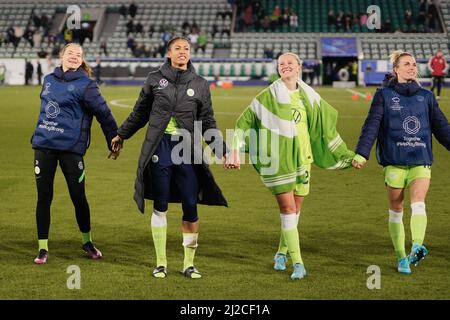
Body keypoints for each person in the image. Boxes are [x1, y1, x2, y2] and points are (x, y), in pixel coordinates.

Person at [227, 52, 355, 280]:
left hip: (304, 160)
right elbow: (243, 122)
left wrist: (348, 155)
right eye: (281, 64)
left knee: (294, 211)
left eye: (290, 63)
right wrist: (235, 150)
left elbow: (326, 127)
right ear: (278, 69)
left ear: (299, 67)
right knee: (287, 209)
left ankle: (281, 252)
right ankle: (298, 263)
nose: (285, 66)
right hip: (279, 161)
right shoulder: (267, 96)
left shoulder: (310, 96)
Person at [110, 36, 229, 279]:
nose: (182, 51)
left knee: (190, 205)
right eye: (178, 48)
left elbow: (208, 123)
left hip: (186, 149)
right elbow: (140, 112)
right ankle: (161, 262)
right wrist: (121, 134)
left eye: (186, 48)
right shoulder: (155, 79)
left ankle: (189, 264)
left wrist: (223, 151)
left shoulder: (200, 84)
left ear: (190, 53)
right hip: (159, 147)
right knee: (160, 205)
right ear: (169, 53)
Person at [353, 50, 450, 274]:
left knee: (419, 202)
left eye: (414, 64)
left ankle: (416, 246)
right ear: (396, 69)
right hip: (394, 161)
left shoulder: (426, 97)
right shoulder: (383, 96)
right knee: (396, 209)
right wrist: (362, 153)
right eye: (407, 64)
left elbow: (442, 128)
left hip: (420, 160)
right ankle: (401, 258)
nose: (412, 67)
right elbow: (372, 125)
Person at [30, 43, 119, 264]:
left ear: (82, 60)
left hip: (71, 149)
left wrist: (113, 140)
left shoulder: (87, 85)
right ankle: (42, 248)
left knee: (78, 197)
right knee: (44, 197)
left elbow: (104, 114)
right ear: (61, 56)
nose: (74, 57)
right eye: (70, 53)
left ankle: (87, 242)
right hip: (44, 146)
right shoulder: (48, 80)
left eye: (78, 55)